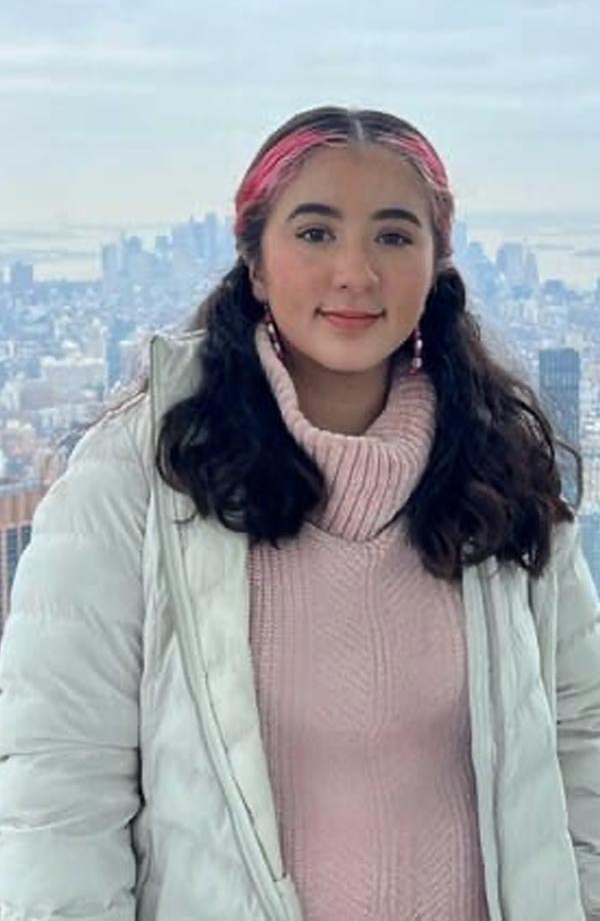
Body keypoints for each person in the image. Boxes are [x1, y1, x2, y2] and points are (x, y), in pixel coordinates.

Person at [0, 105, 598, 921]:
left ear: (436, 263)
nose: (355, 272)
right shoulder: (136, 481)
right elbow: (60, 791)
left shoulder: (500, 475)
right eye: (316, 234)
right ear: (254, 262)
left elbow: (581, 737)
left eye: (393, 236)